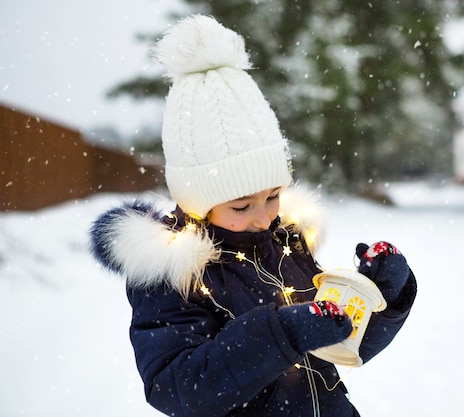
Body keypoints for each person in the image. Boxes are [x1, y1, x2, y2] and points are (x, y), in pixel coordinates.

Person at [90, 15, 417, 417]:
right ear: (198, 201)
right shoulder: (172, 272)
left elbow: (343, 345)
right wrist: (281, 334)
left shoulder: (284, 243)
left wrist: (381, 297)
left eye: (273, 196)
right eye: (242, 206)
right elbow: (176, 387)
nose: (263, 218)